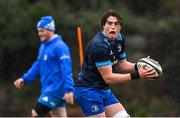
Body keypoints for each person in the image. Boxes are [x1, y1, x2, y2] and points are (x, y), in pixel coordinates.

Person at [74, 9, 157, 117]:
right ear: (103, 26)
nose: (113, 26)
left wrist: (139, 66)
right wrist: (138, 75)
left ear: (120, 27)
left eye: (116, 24)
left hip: (103, 89)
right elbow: (108, 78)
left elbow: (121, 65)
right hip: (88, 90)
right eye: (109, 23)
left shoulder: (120, 39)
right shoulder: (99, 46)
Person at [14, 16, 74, 117]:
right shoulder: (43, 46)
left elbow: (66, 69)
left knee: (36, 113)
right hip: (48, 88)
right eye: (38, 31)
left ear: (50, 29)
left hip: (56, 89)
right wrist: (24, 79)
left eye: (42, 31)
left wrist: (69, 90)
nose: (39, 34)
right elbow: (37, 65)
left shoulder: (60, 46)